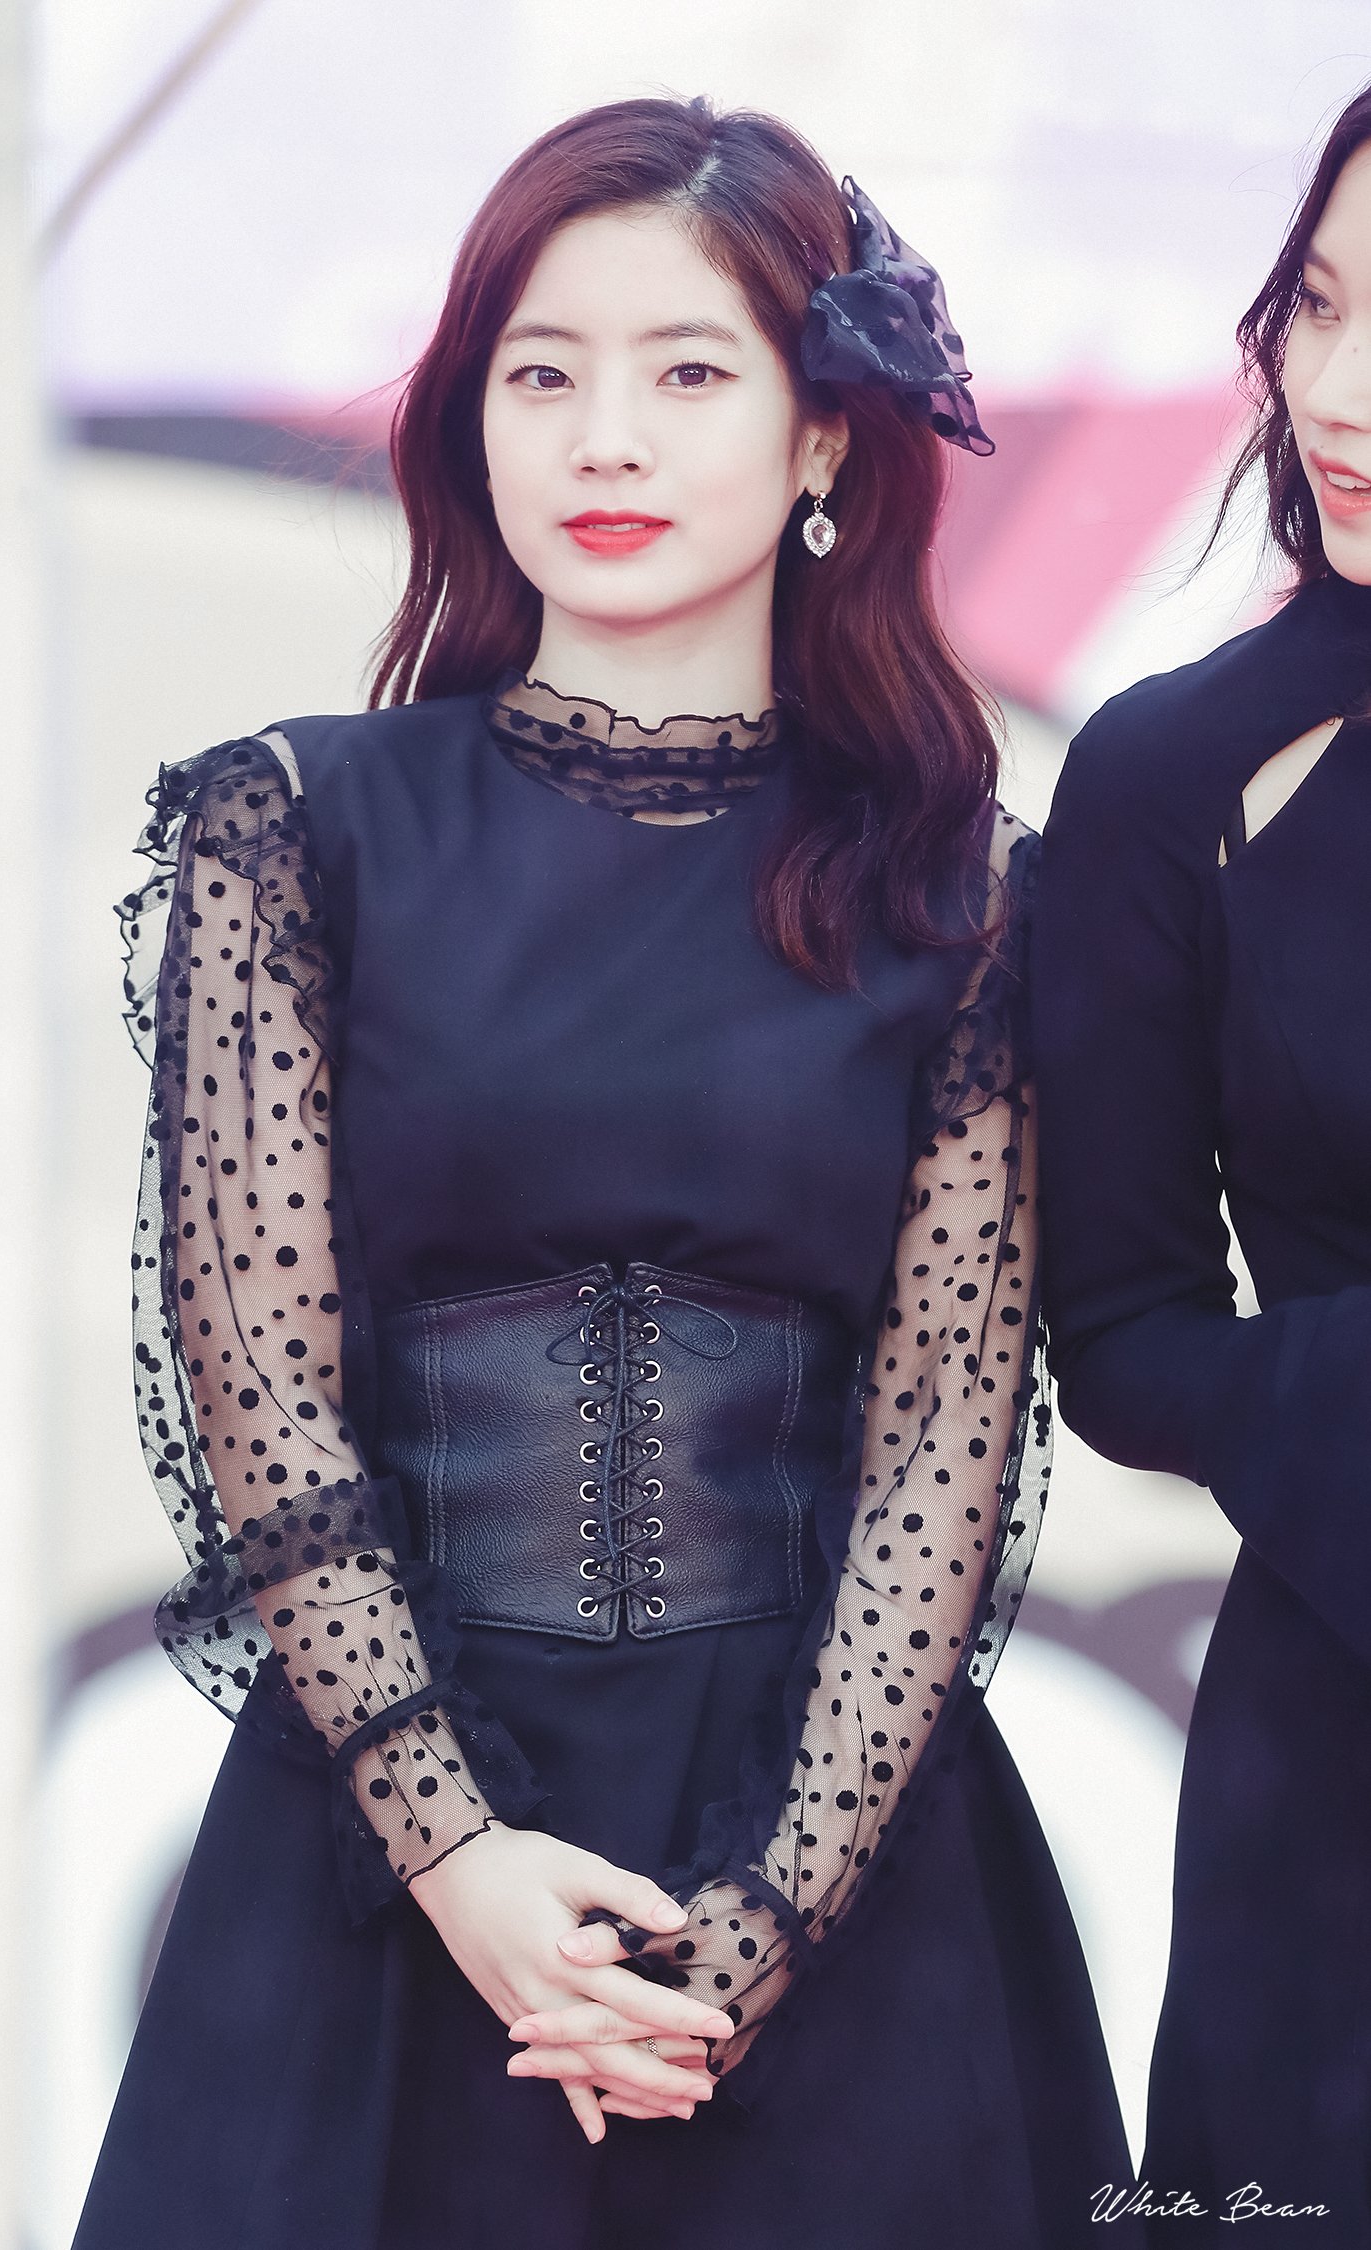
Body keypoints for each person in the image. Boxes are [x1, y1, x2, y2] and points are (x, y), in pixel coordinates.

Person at [76, 96, 1133, 2250]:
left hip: (843, 1884)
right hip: (383, 1861)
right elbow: (262, 1392)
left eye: (688, 371)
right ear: (472, 420)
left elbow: (942, 1447)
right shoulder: (299, 831)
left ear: (822, 437)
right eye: (542, 374)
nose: (606, 440)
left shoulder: (962, 896)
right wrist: (458, 1860)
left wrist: (760, 1923)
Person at [1033, 83, 1371, 2245]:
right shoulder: (1176, 771)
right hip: (1339, 1745)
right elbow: (1129, 1337)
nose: (1339, 391)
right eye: (1318, 304)